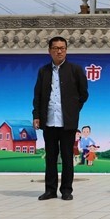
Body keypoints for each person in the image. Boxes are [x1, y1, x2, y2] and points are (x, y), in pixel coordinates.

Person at [32, 36, 89, 201]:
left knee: (67, 157)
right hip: (49, 120)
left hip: (67, 122)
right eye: (56, 48)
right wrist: (36, 115)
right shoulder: (43, 71)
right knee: (50, 158)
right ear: (49, 51)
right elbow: (37, 95)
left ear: (66, 50)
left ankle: (66, 190)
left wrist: (73, 110)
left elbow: (84, 94)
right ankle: (50, 190)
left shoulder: (75, 70)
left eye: (62, 48)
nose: (59, 51)